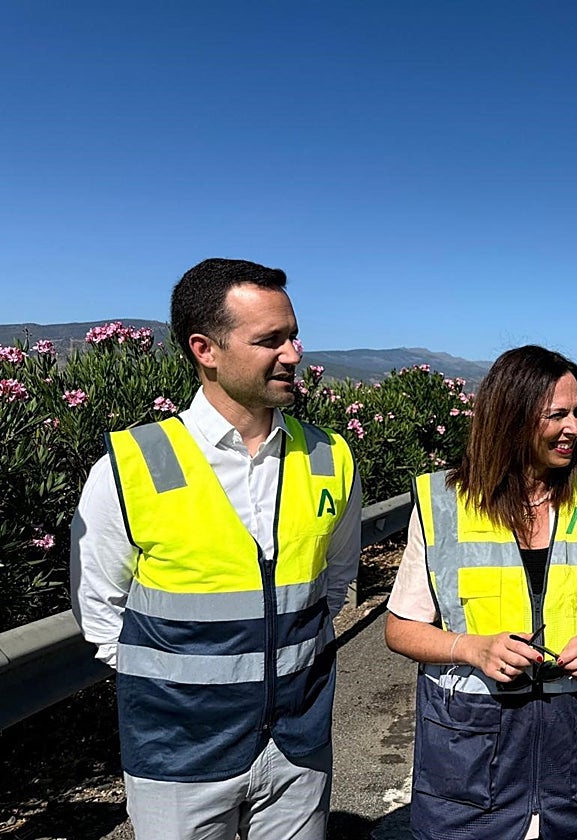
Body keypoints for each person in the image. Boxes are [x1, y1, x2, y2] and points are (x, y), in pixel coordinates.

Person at [70, 258, 362, 840]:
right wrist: (180, 703)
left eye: (294, 334)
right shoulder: (131, 468)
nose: (294, 354)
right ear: (205, 349)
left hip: (297, 747)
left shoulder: (331, 458)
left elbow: (333, 586)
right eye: (270, 340)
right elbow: (102, 617)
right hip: (178, 757)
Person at [385, 345, 577, 840]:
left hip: (573, 752)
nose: (575, 428)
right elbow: (399, 629)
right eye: (556, 414)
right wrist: (471, 648)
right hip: (471, 762)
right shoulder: (446, 504)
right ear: (512, 417)